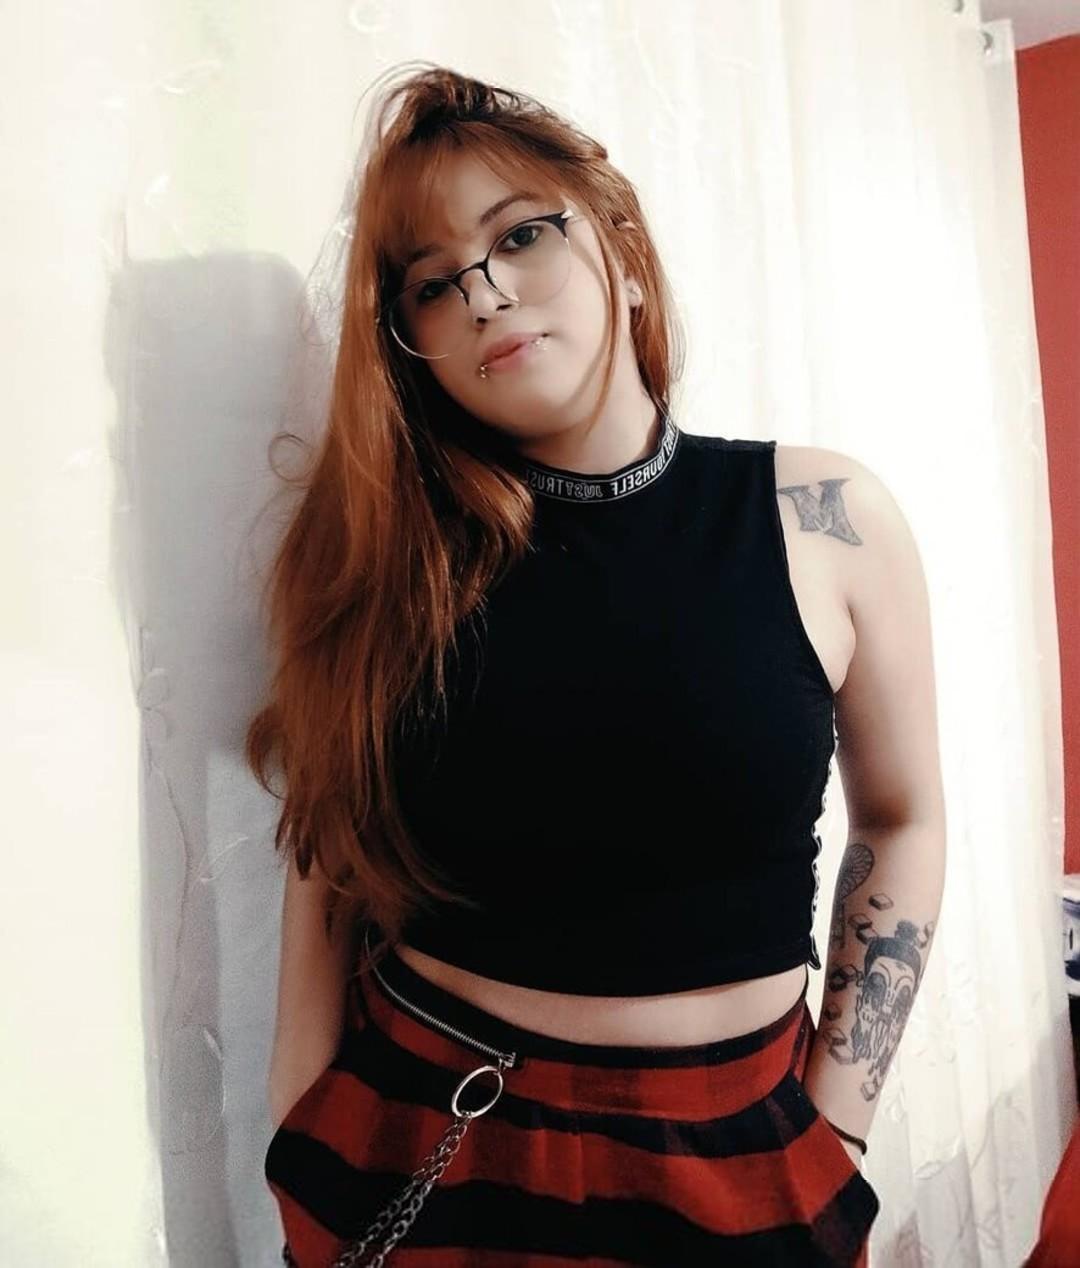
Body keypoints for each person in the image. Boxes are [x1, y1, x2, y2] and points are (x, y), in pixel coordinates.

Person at [253, 59, 946, 1268]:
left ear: (621, 248)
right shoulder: (394, 555)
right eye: (430, 283)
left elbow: (905, 816)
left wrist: (837, 1121)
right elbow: (329, 852)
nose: (483, 291)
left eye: (521, 233)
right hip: (427, 1129)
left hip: (744, 1150)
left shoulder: (824, 517)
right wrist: (297, 1120)